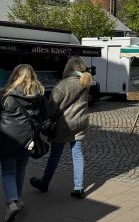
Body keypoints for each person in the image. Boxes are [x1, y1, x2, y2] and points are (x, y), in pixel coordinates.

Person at [30, 57, 92, 199]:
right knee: (77, 154)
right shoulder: (85, 81)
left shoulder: (63, 85)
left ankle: (44, 183)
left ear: (69, 68)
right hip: (81, 122)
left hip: (64, 124)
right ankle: (79, 188)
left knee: (55, 154)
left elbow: (52, 109)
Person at [0, 64, 47, 222]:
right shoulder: (39, 95)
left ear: (15, 75)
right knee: (20, 168)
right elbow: (44, 116)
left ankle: (12, 202)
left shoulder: (5, 93)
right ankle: (18, 200)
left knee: (8, 171)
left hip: (7, 138)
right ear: (32, 75)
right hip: (28, 139)